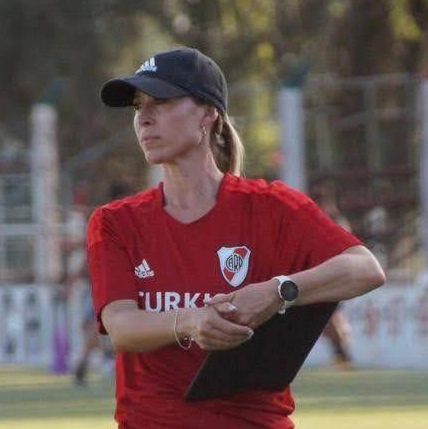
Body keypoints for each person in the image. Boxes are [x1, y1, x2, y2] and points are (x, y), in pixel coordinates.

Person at [87, 46, 386, 429]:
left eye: (160, 101)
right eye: (138, 106)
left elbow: (365, 268)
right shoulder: (115, 222)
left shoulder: (271, 206)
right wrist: (190, 320)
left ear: (208, 113)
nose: (143, 118)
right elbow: (121, 327)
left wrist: (278, 291)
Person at [310, 180, 354, 369]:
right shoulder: (320, 222)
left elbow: (346, 248)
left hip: (334, 277)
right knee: (329, 319)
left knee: (330, 318)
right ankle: (342, 352)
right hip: (325, 277)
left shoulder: (336, 222)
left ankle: (343, 353)